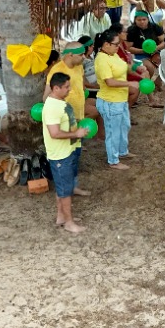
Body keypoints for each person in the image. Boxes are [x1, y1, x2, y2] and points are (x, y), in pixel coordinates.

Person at [43, 72, 94, 234]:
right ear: (56, 88)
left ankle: (61, 216)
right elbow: (54, 133)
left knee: (63, 187)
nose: (69, 89)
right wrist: (75, 134)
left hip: (67, 151)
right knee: (65, 191)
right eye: (66, 87)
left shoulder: (59, 102)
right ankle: (69, 223)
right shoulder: (52, 107)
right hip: (60, 155)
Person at [92, 31, 133, 167]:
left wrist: (135, 66)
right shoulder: (102, 60)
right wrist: (129, 83)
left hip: (121, 99)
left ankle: (122, 151)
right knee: (113, 131)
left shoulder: (113, 54)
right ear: (106, 44)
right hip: (110, 101)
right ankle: (113, 160)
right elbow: (109, 82)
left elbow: (123, 67)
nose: (118, 46)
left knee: (124, 126)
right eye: (116, 44)